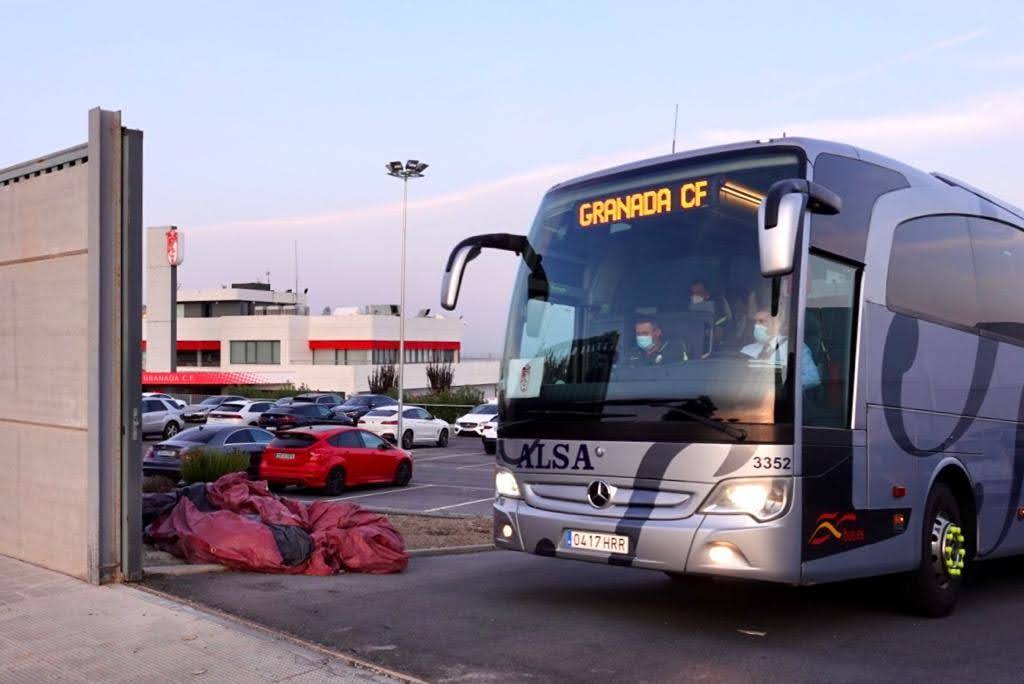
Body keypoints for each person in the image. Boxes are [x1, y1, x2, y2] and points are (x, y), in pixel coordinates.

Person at [741, 310, 821, 389]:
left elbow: (813, 378)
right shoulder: (747, 349)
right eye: (754, 322)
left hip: (779, 399)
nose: (756, 325)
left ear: (776, 324)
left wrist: (783, 384)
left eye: (761, 321)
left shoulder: (794, 347)